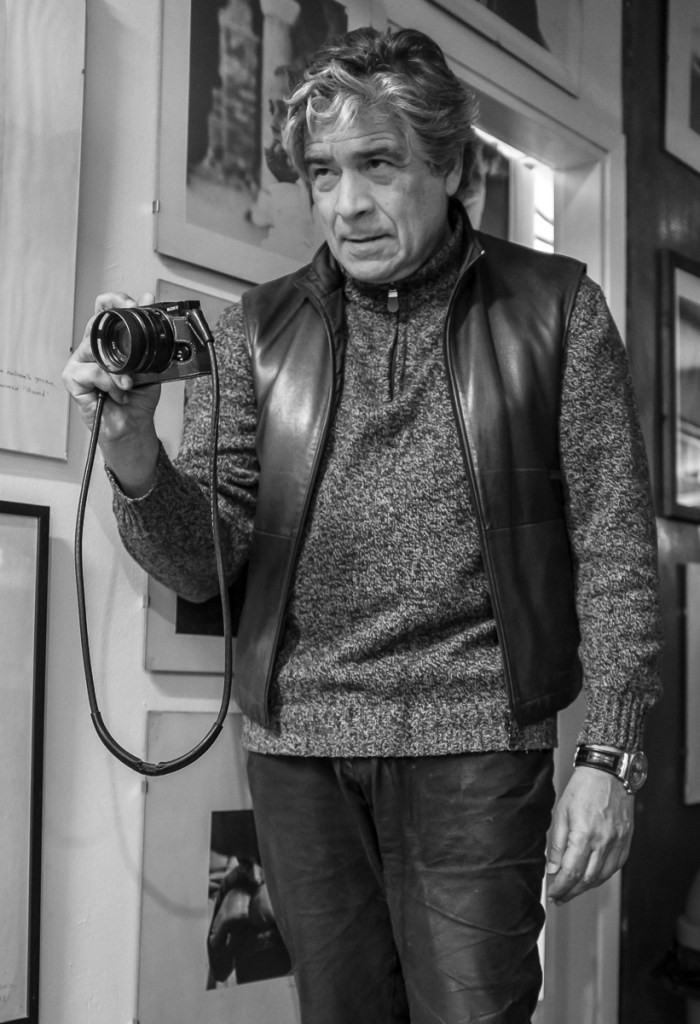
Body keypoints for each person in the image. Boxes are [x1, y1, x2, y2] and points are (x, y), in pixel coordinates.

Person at [64, 26, 662, 1024]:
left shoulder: (556, 310)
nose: (346, 204)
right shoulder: (250, 331)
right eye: (323, 172)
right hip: (296, 754)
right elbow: (203, 564)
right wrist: (132, 451)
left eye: (378, 164)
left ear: (451, 164)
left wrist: (608, 758)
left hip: (476, 747)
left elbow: (614, 550)